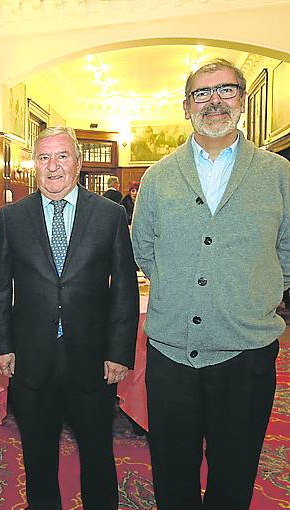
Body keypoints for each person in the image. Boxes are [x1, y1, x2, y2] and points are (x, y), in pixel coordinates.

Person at [131, 58, 290, 510]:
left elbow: (288, 251)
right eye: (202, 93)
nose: (214, 101)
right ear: (186, 107)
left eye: (226, 90)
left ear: (242, 100)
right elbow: (144, 249)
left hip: (247, 353)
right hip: (170, 354)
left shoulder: (278, 174)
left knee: (235, 472)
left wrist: (254, 295)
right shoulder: (159, 176)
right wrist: (181, 290)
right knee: (172, 471)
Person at [0, 126, 139, 510]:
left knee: (97, 454)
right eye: (44, 158)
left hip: (92, 359)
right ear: (34, 165)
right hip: (31, 358)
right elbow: (0, 286)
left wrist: (120, 353)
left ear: (78, 162)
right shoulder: (12, 216)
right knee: (37, 456)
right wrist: (3, 345)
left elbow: (124, 288)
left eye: (62, 156)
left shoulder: (109, 215)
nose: (53, 166)